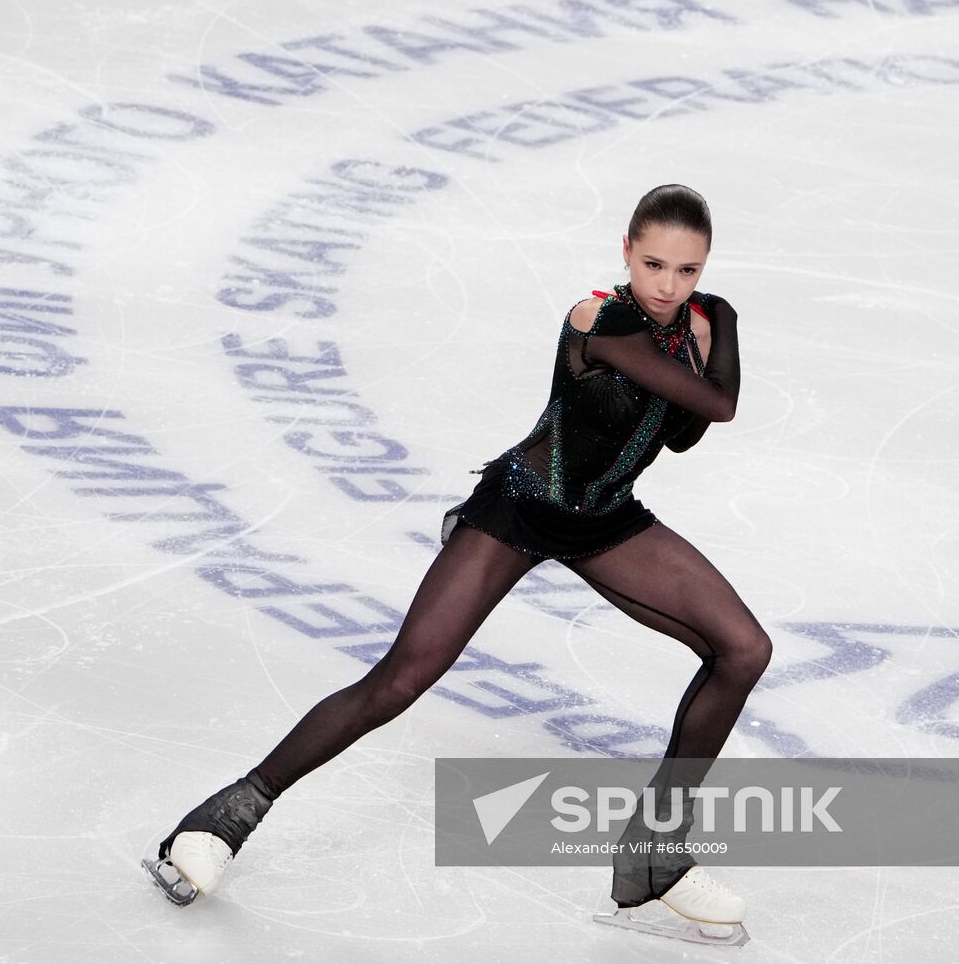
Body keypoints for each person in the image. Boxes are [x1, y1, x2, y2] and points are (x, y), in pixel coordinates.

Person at [145, 184, 772, 947]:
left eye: (689, 271)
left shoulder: (685, 333)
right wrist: (726, 322)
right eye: (654, 263)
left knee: (745, 648)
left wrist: (704, 341)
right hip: (520, 508)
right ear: (625, 252)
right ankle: (222, 818)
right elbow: (717, 407)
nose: (669, 284)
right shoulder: (597, 320)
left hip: (607, 520)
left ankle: (653, 854)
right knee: (401, 678)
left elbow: (677, 436)